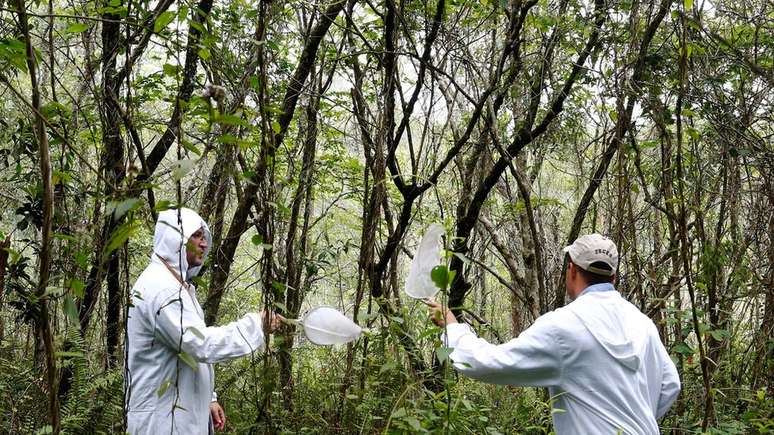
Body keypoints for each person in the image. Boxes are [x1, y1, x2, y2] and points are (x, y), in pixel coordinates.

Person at [429, 233, 680, 434]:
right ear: (613, 277)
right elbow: (670, 384)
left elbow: (487, 364)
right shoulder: (642, 323)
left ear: (571, 270)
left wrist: (453, 328)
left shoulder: (563, 326)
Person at [126, 208, 283, 434]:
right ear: (175, 239)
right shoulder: (161, 290)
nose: (203, 244)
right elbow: (200, 344)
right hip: (161, 420)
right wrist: (255, 325)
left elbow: (187, 348)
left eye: (204, 236)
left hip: (179, 414)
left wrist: (209, 398)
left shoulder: (177, 286)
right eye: (196, 236)